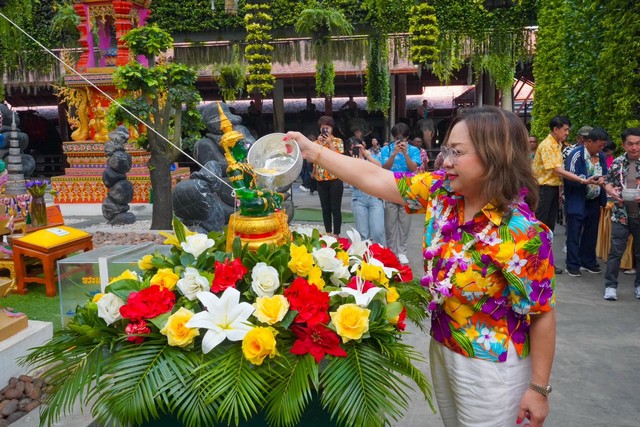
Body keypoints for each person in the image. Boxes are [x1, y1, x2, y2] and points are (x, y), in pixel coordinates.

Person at [285, 106, 556, 427]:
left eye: (457, 152)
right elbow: (376, 177)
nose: (446, 161)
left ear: (495, 156)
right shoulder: (442, 192)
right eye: (446, 150)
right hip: (443, 346)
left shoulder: (522, 232)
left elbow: (542, 313)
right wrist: (313, 150)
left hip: (491, 367)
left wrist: (538, 389)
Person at [532, 116, 599, 273]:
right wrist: (581, 180)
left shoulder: (558, 144)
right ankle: (536, 264)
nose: (567, 133)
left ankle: (545, 263)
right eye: (565, 129)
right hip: (543, 189)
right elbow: (557, 170)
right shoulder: (547, 145)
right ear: (555, 129)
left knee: (548, 228)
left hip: (552, 189)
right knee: (541, 227)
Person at [563, 128, 609, 276]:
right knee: (574, 232)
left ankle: (588, 261)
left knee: (591, 232)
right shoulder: (575, 154)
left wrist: (602, 179)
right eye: (599, 145)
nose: (601, 149)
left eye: (603, 146)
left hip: (594, 199)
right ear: (589, 142)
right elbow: (569, 176)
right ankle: (572, 264)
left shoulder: (601, 156)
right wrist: (585, 180)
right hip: (577, 198)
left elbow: (605, 173)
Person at [602, 127, 640, 301]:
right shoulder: (617, 162)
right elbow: (608, 182)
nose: (634, 147)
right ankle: (610, 286)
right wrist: (611, 190)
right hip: (621, 214)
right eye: (630, 144)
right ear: (624, 145)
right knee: (616, 251)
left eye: (638, 143)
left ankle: (639, 285)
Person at [380, 123, 421, 264]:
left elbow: (413, 168)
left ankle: (402, 252)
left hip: (407, 188)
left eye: (402, 138)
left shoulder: (414, 150)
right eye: (397, 137)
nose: (399, 141)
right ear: (393, 137)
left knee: (405, 223)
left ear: (407, 137)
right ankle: (391, 251)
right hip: (390, 186)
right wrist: (393, 154)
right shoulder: (386, 149)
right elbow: (385, 167)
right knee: (390, 223)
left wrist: (405, 153)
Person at [347, 140, 386, 245]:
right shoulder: (348, 162)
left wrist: (366, 156)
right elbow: (350, 180)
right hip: (358, 197)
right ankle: (364, 254)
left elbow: (380, 167)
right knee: (362, 233)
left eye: (357, 148)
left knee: (378, 232)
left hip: (375, 196)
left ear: (363, 147)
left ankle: (378, 253)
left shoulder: (370, 157)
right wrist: (356, 161)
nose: (355, 151)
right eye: (351, 149)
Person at [313, 116, 344, 236]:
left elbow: (338, 158)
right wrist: (319, 144)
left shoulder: (338, 141)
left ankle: (336, 234)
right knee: (325, 208)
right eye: (323, 128)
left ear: (332, 129)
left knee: (336, 209)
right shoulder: (316, 143)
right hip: (321, 179)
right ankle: (328, 233)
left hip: (335, 179)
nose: (326, 130)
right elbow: (313, 159)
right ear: (320, 129)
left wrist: (330, 143)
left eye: (328, 128)